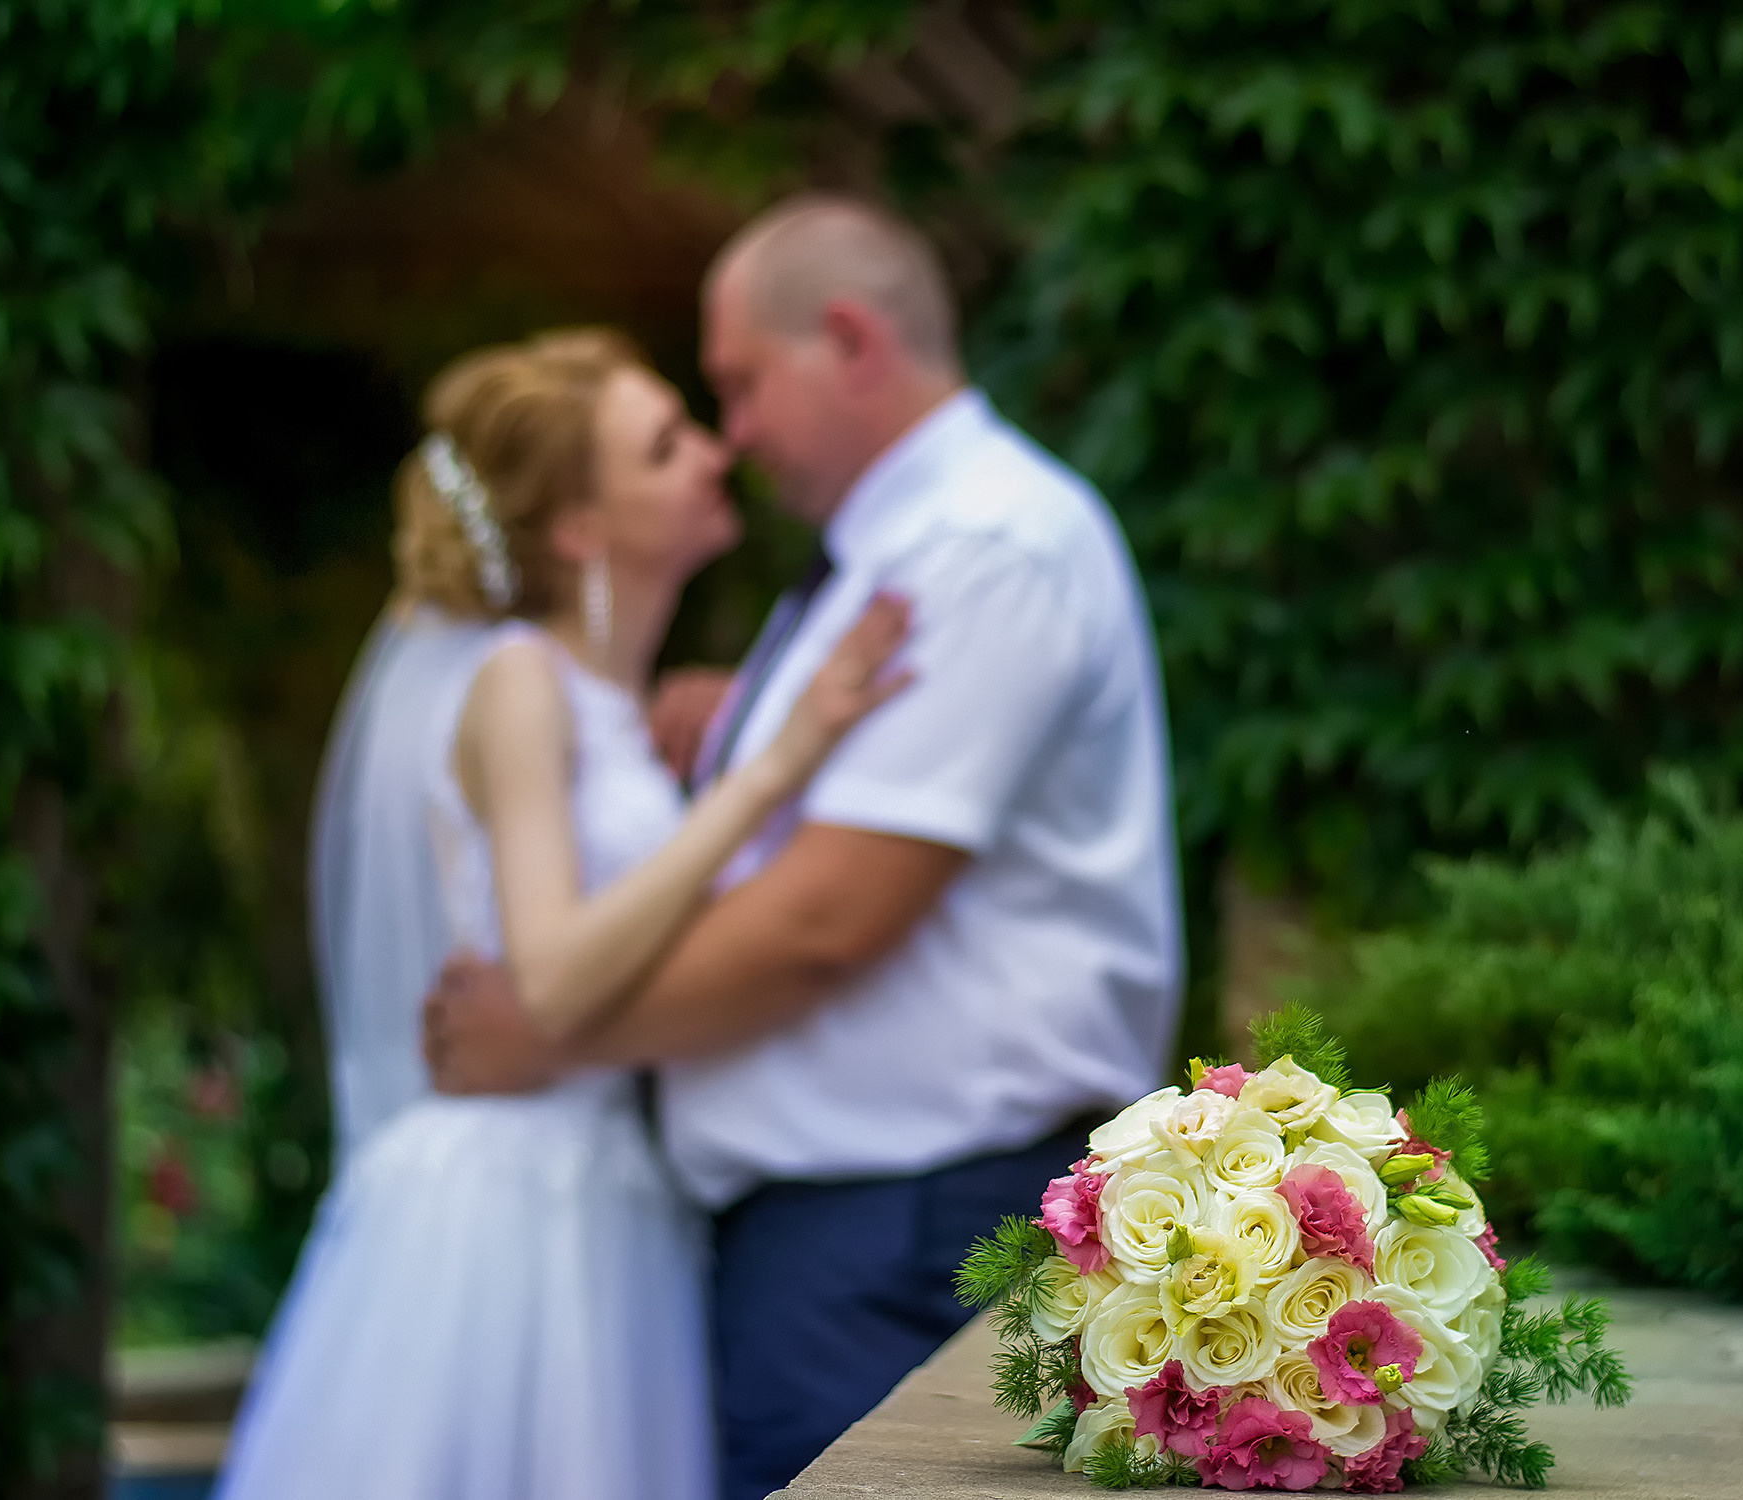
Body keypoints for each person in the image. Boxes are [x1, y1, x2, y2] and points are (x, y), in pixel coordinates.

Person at [424, 197, 1185, 1500]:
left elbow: (829, 913)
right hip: (852, 1223)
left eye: (739, 385)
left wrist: (552, 1036)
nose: (734, 435)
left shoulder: (980, 547)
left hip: (896, 1224)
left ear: (847, 339)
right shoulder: (892, 555)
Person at [215, 327, 910, 1500]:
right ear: (582, 528)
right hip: (514, 1208)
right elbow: (550, 977)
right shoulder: (518, 680)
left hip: (614, 1190)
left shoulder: (611, 703)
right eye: (664, 445)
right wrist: (771, 768)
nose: (710, 453)